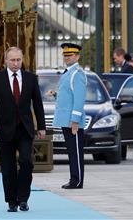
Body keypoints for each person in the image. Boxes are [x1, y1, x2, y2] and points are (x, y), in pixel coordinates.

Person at [0, 47, 46, 212]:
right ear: (5, 60)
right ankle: (11, 201)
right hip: (4, 130)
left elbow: (38, 104)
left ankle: (23, 198)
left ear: (22, 59)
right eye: (12, 60)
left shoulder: (31, 78)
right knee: (7, 167)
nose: (16, 63)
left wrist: (41, 127)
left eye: (18, 60)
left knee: (26, 162)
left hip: (25, 129)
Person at [51, 43, 86, 189]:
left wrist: (75, 121)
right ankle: (74, 179)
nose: (67, 58)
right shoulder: (68, 72)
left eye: (70, 55)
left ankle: (77, 181)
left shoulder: (77, 73)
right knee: (72, 151)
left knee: (76, 152)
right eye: (65, 55)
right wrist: (56, 95)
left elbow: (79, 99)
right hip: (66, 120)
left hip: (72, 121)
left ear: (77, 56)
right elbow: (69, 96)